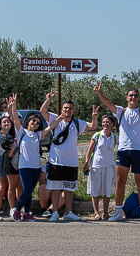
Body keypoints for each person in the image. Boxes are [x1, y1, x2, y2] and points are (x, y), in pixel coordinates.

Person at [95, 81, 140, 223]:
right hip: (123, 152)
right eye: (131, 95)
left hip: (138, 152)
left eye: (135, 95)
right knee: (120, 181)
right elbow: (108, 103)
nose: (133, 98)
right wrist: (99, 93)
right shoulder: (120, 111)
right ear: (126, 97)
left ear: (138, 98)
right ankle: (117, 212)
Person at [40, 90, 99, 222]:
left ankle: (68, 212)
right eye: (65, 108)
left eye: (70, 109)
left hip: (71, 162)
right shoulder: (55, 119)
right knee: (55, 188)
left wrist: (94, 117)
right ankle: (54, 212)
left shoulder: (78, 123)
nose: (67, 110)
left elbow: (93, 126)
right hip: (56, 161)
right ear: (62, 109)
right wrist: (48, 100)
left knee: (69, 188)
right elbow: (43, 111)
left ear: (73, 111)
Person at [9, 94, 55, 222]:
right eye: (33, 121)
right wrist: (14, 105)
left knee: (30, 191)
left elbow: (50, 127)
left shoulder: (38, 135)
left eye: (38, 122)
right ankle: (18, 211)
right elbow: (15, 119)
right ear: (28, 121)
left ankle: (27, 213)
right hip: (25, 166)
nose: (35, 123)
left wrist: (60, 118)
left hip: (36, 167)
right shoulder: (21, 132)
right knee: (27, 190)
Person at [82, 115, 118, 220]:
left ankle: (105, 212)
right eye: (103, 122)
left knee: (107, 190)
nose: (105, 124)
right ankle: (96, 212)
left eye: (107, 122)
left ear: (112, 124)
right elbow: (89, 150)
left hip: (109, 166)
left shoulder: (115, 137)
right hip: (96, 166)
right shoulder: (97, 135)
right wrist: (86, 163)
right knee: (95, 189)